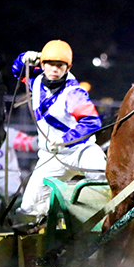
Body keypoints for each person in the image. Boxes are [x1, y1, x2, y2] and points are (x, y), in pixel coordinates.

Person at [10, 40, 105, 229]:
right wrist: (26, 58)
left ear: (67, 68)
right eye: (50, 64)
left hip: (81, 151)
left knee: (104, 178)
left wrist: (63, 140)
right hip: (50, 157)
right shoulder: (35, 81)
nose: (54, 69)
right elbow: (17, 69)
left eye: (59, 65)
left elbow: (92, 122)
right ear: (42, 64)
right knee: (28, 210)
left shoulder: (74, 93)